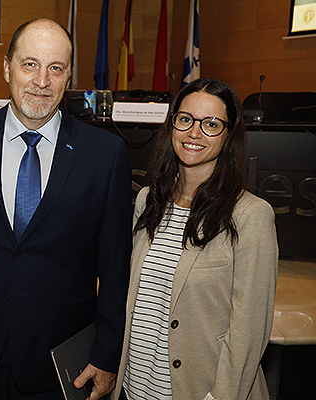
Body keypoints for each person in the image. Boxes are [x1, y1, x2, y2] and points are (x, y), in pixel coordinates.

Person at [0, 18, 132, 400]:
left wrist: (107, 356)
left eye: (55, 68)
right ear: (7, 66)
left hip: (59, 364)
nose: (42, 80)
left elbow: (114, 266)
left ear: (68, 76)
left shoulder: (105, 156)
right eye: (30, 64)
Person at [114, 78, 278, 400]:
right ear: (172, 123)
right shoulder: (149, 200)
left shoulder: (250, 216)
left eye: (211, 124)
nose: (194, 133)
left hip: (201, 392)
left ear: (229, 135)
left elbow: (248, 331)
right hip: (135, 387)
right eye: (186, 119)